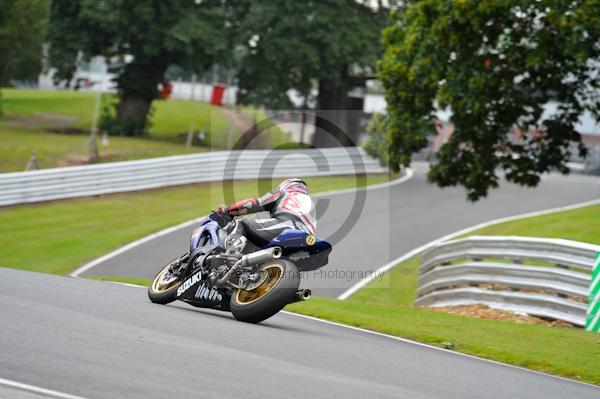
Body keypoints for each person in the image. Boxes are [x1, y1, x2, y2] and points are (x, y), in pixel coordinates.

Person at [217, 178, 316, 253]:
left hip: (286, 225)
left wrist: (229, 209)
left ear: (286, 186)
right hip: (308, 239)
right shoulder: (310, 204)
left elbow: (254, 204)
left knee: (241, 224)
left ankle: (232, 253)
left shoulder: (285, 193)